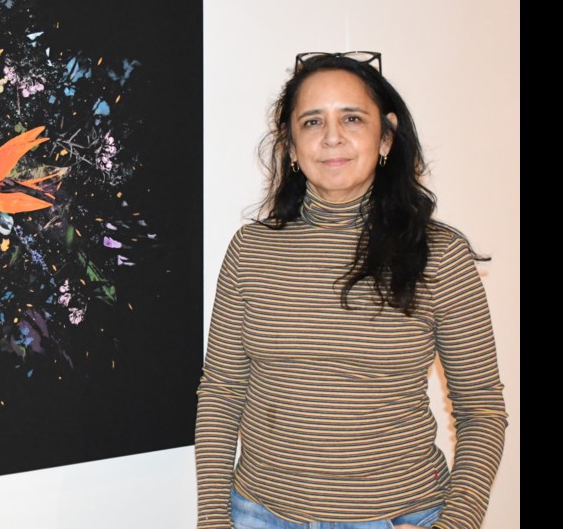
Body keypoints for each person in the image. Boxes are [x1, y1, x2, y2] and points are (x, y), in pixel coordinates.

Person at [195, 52, 507, 529]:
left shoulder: (440, 254)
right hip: (260, 515)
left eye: (353, 118)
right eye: (312, 121)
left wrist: (456, 524)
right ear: (291, 146)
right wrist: (213, 521)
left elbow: (481, 406)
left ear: (385, 136)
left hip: (401, 516)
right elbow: (221, 392)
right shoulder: (251, 250)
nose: (332, 136)